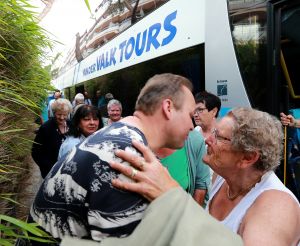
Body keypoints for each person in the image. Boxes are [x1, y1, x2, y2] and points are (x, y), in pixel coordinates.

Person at [30, 73, 196, 242]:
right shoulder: (130, 159)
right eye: (191, 116)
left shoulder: (115, 134)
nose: (192, 126)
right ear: (168, 107)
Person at [108, 107, 300, 245]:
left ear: (248, 158)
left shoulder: (277, 207)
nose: (208, 140)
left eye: (219, 137)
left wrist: (170, 194)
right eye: (213, 132)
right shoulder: (222, 177)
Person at [157, 129, 210, 206]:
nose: (192, 126)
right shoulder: (136, 138)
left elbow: (201, 186)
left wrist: (190, 216)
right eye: (188, 116)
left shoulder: (194, 139)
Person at [32, 98, 72, 178]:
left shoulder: (72, 126)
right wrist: (47, 168)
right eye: (59, 114)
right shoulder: (46, 128)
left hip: (69, 172)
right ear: (54, 113)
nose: (62, 117)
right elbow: (35, 151)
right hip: (51, 172)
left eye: (65, 114)